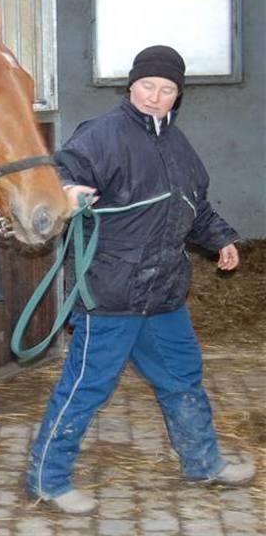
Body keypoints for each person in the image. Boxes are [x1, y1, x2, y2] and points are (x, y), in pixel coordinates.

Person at [26, 45, 255, 514]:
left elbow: (194, 205)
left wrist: (223, 239)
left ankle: (203, 463)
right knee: (87, 386)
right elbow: (61, 171)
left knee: (183, 378)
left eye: (167, 89)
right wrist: (70, 191)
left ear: (178, 96)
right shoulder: (102, 134)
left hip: (165, 293)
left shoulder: (178, 145)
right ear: (131, 86)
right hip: (111, 291)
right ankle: (47, 480)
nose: (155, 96)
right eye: (148, 85)